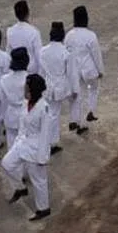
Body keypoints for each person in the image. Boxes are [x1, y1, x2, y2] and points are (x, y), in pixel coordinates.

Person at [0, 73, 52, 221]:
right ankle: (20, 188)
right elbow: (22, 125)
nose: (24, 90)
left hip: (36, 148)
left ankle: (43, 208)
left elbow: (45, 135)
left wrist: (42, 157)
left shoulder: (44, 108)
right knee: (7, 164)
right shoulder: (25, 103)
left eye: (27, 87)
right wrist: (18, 141)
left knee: (38, 180)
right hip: (23, 142)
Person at [65, 5, 105, 130]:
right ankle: (91, 111)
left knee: (78, 95)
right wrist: (100, 70)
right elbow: (96, 55)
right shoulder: (91, 35)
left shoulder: (69, 35)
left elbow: (66, 53)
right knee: (93, 89)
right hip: (89, 70)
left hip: (75, 70)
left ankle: (75, 120)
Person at [38, 21, 75, 155]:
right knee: (53, 115)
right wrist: (73, 90)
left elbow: (40, 71)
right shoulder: (65, 52)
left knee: (49, 113)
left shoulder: (43, 50)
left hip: (46, 85)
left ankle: (50, 141)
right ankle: (51, 143)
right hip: (59, 86)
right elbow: (70, 73)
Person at [1, 48, 31, 146]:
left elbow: (3, 102)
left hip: (10, 114)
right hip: (27, 114)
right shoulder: (30, 78)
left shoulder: (4, 79)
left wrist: (4, 117)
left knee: (11, 144)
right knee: (26, 144)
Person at [7, 0, 44, 74]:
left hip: (16, 71)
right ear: (28, 13)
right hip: (31, 72)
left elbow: (8, 53)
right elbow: (39, 56)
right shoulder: (34, 32)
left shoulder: (10, 31)